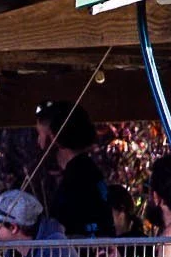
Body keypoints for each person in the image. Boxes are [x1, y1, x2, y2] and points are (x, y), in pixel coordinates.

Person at [33, 101, 114, 239]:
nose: (38, 142)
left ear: (54, 138)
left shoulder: (76, 180)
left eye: (40, 134)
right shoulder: (89, 172)